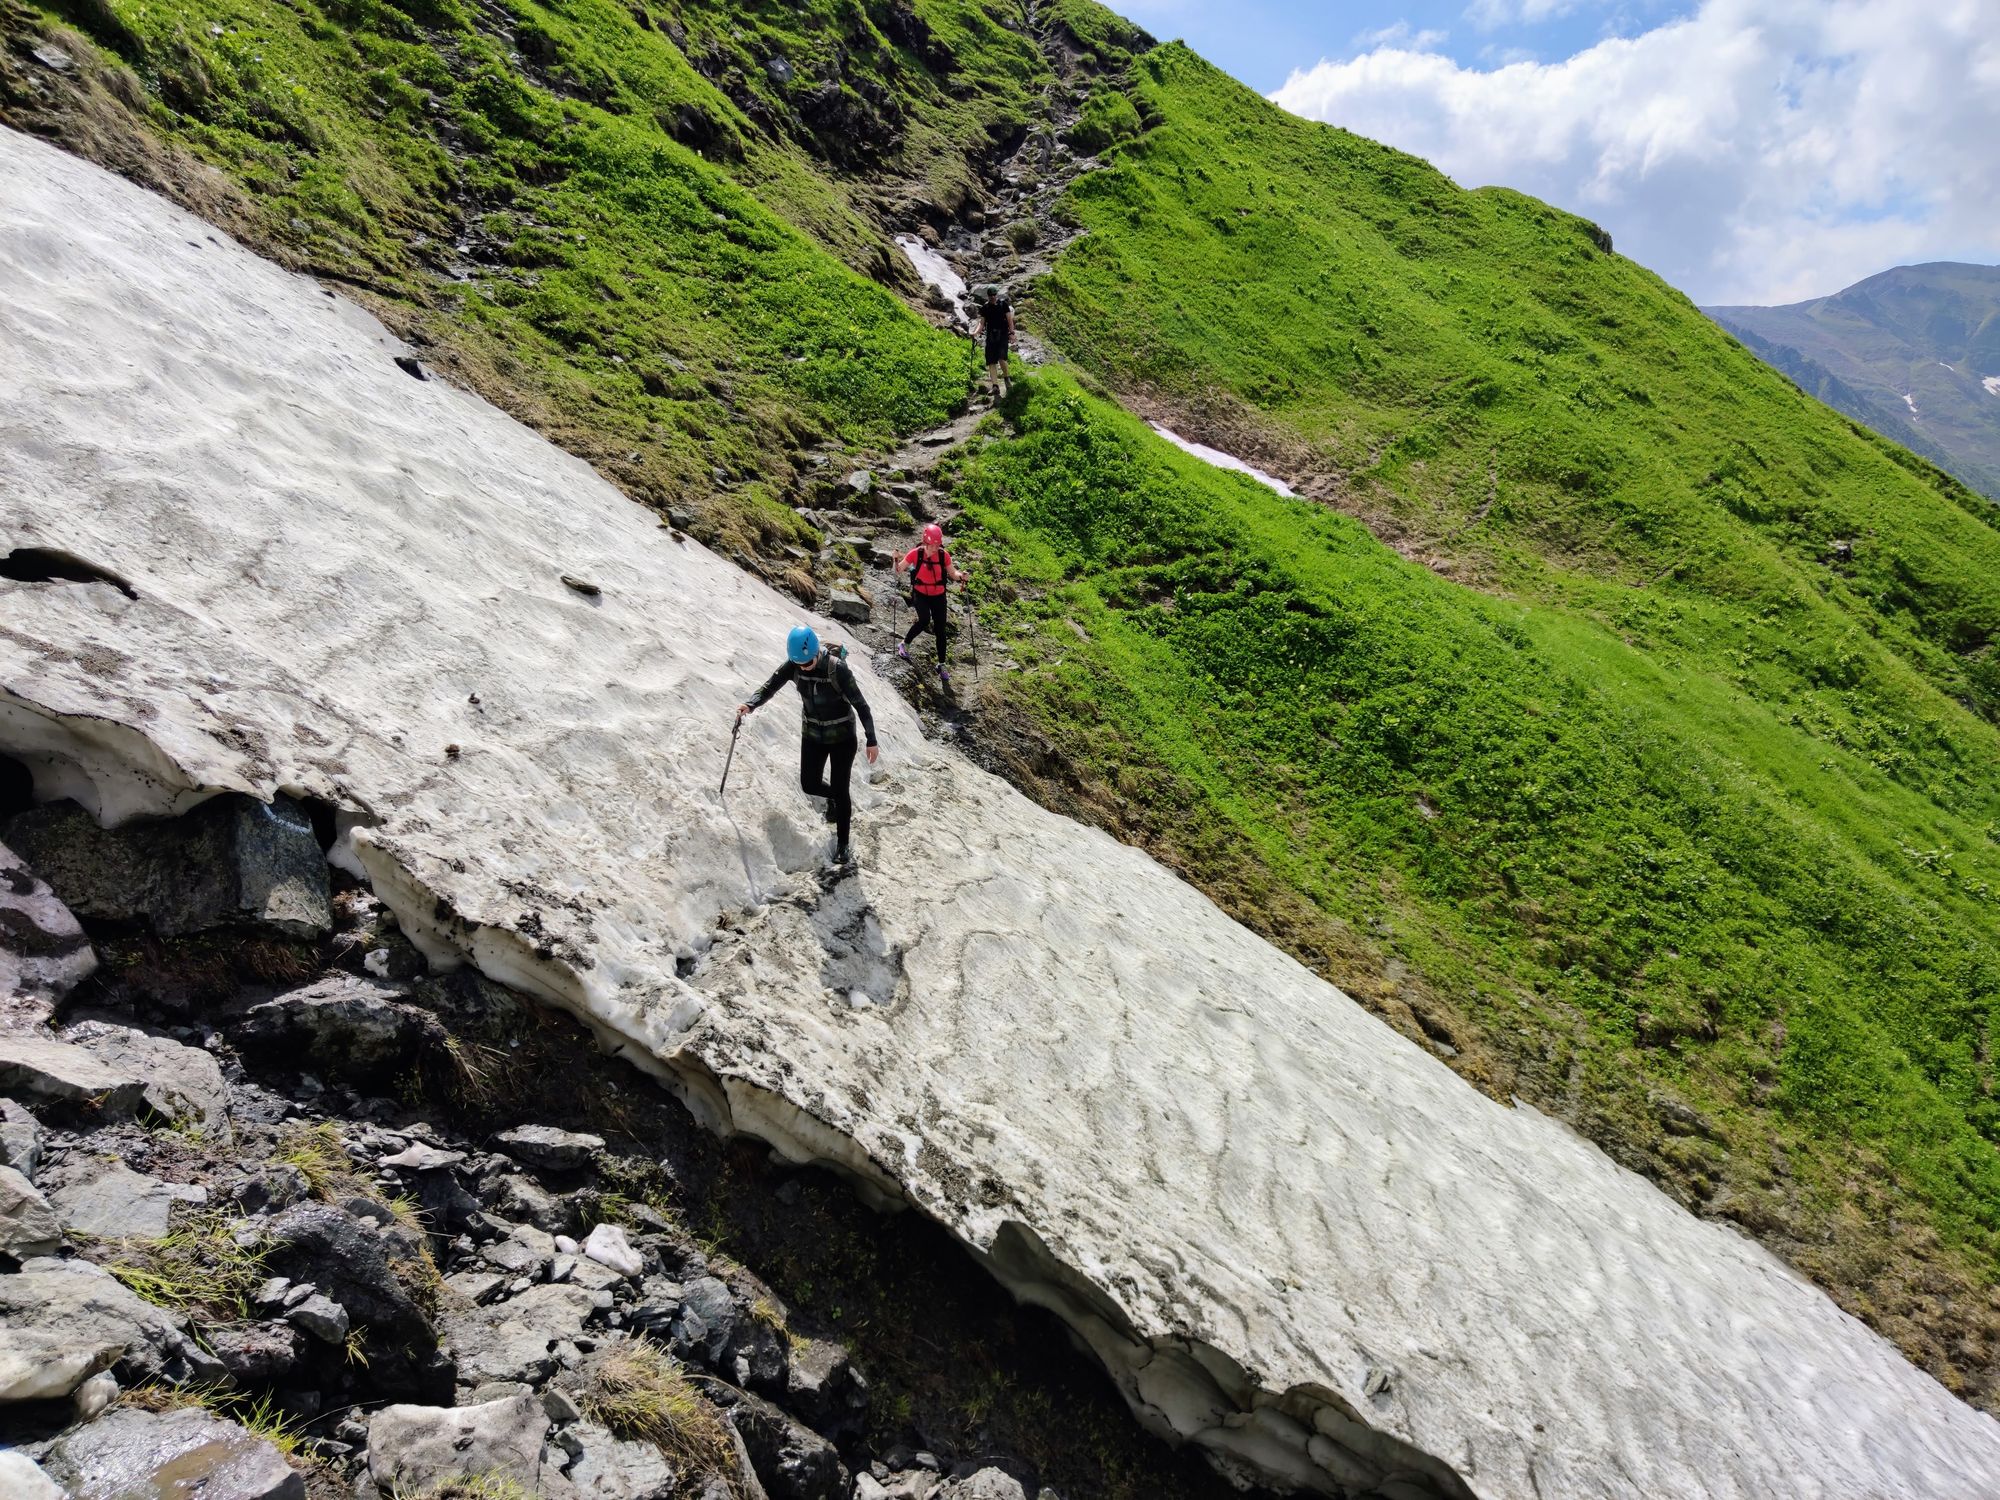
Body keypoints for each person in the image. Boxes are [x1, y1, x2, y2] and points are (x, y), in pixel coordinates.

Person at [739, 625, 879, 865]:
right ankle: (837, 799)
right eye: (800, 664)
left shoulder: (838, 669)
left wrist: (871, 739)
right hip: (813, 733)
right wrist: (750, 704)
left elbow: (861, 705)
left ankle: (843, 844)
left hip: (842, 737)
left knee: (840, 786)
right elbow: (770, 685)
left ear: (816, 652)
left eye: (807, 663)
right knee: (809, 783)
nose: (803, 668)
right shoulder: (794, 664)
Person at [898, 522, 968, 683]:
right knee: (924, 619)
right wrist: (895, 560)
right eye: (932, 545)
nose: (935, 548)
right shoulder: (916, 553)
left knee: (940, 629)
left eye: (937, 545)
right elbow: (899, 569)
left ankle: (941, 665)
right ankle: (905, 644)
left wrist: (961, 576)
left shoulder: (944, 555)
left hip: (938, 595)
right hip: (920, 593)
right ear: (925, 542)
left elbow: (952, 573)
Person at [976, 285, 1014, 400]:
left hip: (1002, 335)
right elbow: (982, 323)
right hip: (991, 336)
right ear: (988, 296)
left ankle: (1007, 379)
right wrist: (976, 332)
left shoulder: (1003, 305)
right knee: (991, 361)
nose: (992, 297)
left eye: (994, 295)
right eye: (990, 295)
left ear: (996, 295)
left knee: (1002, 358)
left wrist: (1012, 333)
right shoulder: (985, 308)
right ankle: (995, 386)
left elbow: (1010, 320)